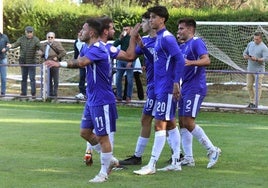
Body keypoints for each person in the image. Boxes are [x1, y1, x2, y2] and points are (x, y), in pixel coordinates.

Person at [133, 6, 185, 175]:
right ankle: (176, 161)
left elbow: (179, 60)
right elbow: (155, 60)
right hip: (158, 86)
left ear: (162, 19)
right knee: (170, 124)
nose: (150, 20)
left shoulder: (168, 38)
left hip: (167, 87)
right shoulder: (159, 38)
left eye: (153, 17)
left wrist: (176, 82)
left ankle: (152, 164)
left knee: (159, 124)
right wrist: (143, 46)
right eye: (150, 17)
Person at [177, 18, 221, 169]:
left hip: (195, 87)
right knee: (182, 122)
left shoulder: (196, 42)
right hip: (185, 88)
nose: (179, 31)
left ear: (190, 29)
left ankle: (212, 150)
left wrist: (191, 62)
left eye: (181, 28)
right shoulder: (183, 46)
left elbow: (206, 60)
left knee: (189, 121)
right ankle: (188, 158)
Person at [119, 11, 157, 165]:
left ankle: (178, 156)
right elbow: (130, 55)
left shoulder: (165, 39)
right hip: (153, 86)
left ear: (153, 21)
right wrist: (134, 40)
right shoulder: (146, 40)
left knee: (164, 123)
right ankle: (138, 157)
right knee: (152, 120)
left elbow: (164, 61)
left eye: (144, 21)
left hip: (163, 87)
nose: (142, 25)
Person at [7, 26, 40, 98]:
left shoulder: (36, 40)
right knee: (24, 78)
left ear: (33, 32)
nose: (29, 34)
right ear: (25, 32)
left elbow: (39, 47)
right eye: (28, 32)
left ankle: (33, 94)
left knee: (32, 79)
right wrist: (10, 45)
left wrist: (40, 51)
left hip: (32, 62)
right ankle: (23, 93)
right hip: (23, 61)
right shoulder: (21, 39)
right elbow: (15, 44)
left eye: (30, 32)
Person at [243, 31, 268, 108]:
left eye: (257, 39)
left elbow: (266, 59)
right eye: (254, 39)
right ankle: (252, 101)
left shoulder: (264, 47)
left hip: (259, 71)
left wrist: (256, 59)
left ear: (260, 39)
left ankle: (255, 103)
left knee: (258, 87)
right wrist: (246, 56)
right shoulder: (250, 44)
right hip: (250, 69)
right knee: (249, 86)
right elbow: (244, 53)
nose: (255, 40)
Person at [39, 32, 66, 97]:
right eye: (49, 37)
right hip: (47, 63)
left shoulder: (57, 44)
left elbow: (63, 52)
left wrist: (57, 57)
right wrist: (41, 54)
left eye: (51, 37)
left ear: (54, 38)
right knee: (48, 79)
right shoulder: (43, 45)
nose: (50, 38)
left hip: (55, 63)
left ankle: (55, 93)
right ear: (47, 38)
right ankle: (50, 93)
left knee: (55, 79)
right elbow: (42, 53)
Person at [113, 25, 135, 102]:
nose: (125, 31)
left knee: (129, 79)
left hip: (129, 59)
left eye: (127, 29)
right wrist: (120, 38)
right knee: (118, 78)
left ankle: (128, 96)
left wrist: (131, 61)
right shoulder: (123, 37)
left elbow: (136, 50)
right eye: (124, 29)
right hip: (121, 59)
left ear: (131, 29)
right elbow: (114, 45)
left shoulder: (133, 38)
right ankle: (119, 96)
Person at [74, 31, 86, 100]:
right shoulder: (76, 42)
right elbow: (76, 53)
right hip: (81, 63)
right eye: (79, 33)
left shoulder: (86, 42)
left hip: (87, 62)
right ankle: (81, 92)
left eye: (82, 33)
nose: (80, 34)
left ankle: (88, 93)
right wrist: (76, 61)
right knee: (82, 77)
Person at [0, 32, 10, 96]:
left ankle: (3, 93)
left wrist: (5, 49)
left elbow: (9, 46)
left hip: (3, 59)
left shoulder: (4, 37)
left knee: (3, 77)